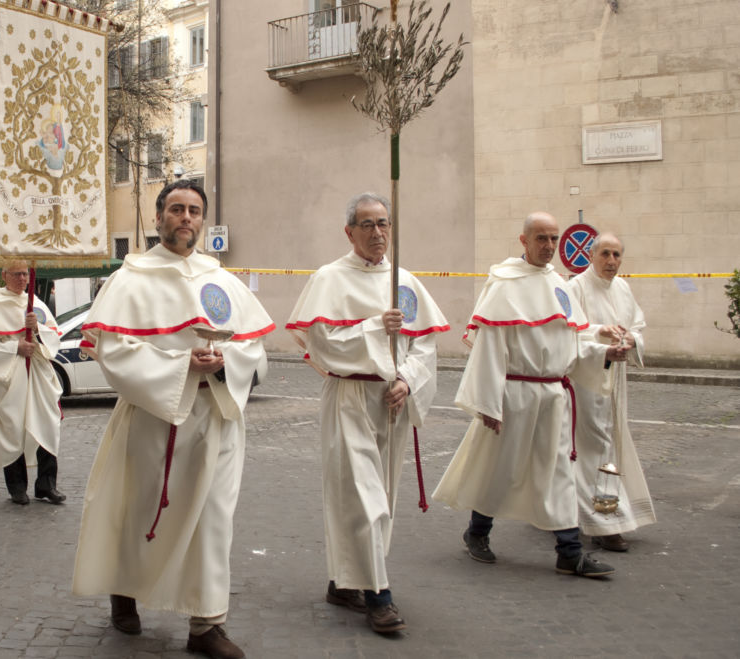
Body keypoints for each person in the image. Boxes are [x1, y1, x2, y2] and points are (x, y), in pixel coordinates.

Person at [71, 180, 274, 659]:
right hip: (154, 416)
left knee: (214, 520)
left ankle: (207, 625)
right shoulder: (132, 277)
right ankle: (125, 589)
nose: (186, 218)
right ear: (159, 216)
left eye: (195, 211)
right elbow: (114, 350)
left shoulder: (220, 278)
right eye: (177, 209)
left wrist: (227, 359)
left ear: (203, 220)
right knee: (144, 512)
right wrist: (182, 366)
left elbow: (254, 346)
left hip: (217, 415)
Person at [285, 192, 449, 634]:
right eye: (367, 225)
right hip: (350, 399)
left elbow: (426, 345)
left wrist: (408, 379)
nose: (378, 233)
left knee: (384, 498)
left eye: (384, 223)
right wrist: (377, 326)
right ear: (349, 232)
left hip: (391, 403)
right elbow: (324, 344)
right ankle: (379, 595)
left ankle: (344, 581)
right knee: (362, 497)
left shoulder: (406, 281)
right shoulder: (329, 278)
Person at [433, 212, 629, 578]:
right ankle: (477, 532)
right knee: (501, 468)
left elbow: (571, 339)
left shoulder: (559, 284)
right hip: (515, 393)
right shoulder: (504, 283)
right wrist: (488, 402)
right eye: (542, 238)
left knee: (558, 472)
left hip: (554, 395)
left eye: (554, 239)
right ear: (523, 240)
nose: (549, 246)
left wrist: (604, 352)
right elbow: (489, 346)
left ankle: (569, 551)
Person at [566, 233, 654, 551]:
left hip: (615, 383)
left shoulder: (623, 288)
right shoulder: (576, 287)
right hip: (587, 382)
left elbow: (638, 326)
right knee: (596, 450)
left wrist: (631, 341)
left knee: (607, 447)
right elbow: (567, 332)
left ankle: (570, 514)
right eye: (605, 254)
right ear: (591, 255)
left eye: (617, 255)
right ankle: (605, 522)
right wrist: (598, 335)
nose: (612, 261)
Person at [0, 260, 64, 505]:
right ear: (4, 276)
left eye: (25, 274)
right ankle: (17, 486)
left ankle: (46, 484)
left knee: (47, 424)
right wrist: (15, 346)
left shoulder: (36, 303)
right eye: (17, 274)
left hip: (38, 373)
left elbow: (54, 337)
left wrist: (39, 329)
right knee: (12, 428)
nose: (22, 279)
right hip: (10, 373)